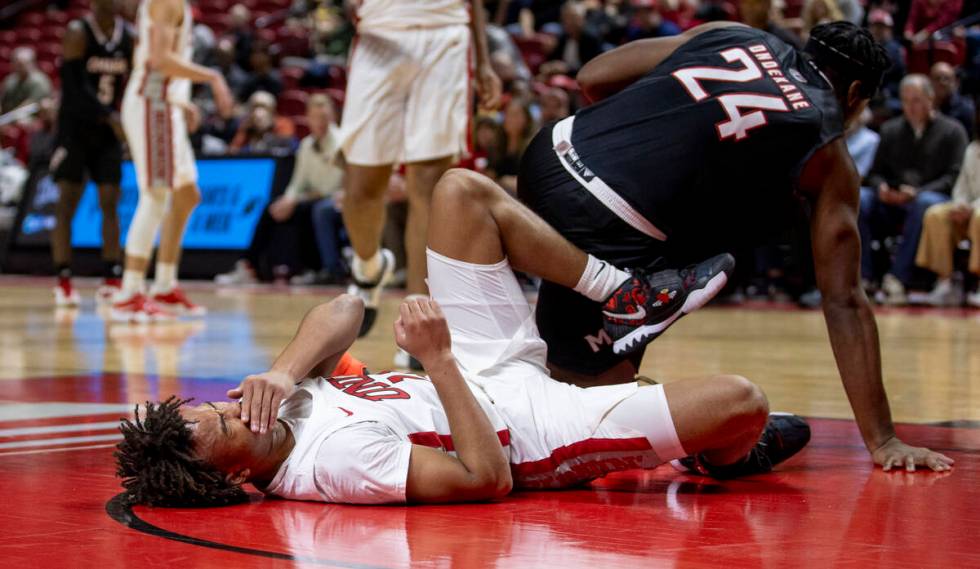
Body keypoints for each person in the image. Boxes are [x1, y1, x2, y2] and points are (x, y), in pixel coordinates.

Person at [115, 169, 832, 507]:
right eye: (218, 428)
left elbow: (345, 304)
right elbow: (482, 478)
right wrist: (438, 360)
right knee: (741, 399)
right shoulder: (332, 465)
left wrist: (284, 367)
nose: (229, 408)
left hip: (479, 367)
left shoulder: (269, 401)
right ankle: (730, 459)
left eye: (210, 407)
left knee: (459, 193)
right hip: (522, 428)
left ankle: (621, 292)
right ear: (229, 475)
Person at [514, 20, 950, 470]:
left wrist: (643, 133)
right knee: (589, 409)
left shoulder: (735, 32)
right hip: (610, 218)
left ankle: (609, 374)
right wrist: (883, 440)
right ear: (855, 94)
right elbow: (844, 300)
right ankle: (706, 438)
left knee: (677, 213)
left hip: (548, 156)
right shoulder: (828, 149)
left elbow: (593, 77)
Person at [337, 0, 502, 348]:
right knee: (361, 188)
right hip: (379, 31)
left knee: (428, 187)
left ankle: (418, 318)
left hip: (444, 32)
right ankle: (368, 266)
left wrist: (484, 62)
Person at [113, 0, 233, 321]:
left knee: (187, 194)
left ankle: (164, 285)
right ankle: (130, 291)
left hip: (165, 103)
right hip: (153, 105)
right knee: (156, 196)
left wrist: (181, 101)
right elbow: (160, 60)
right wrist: (212, 77)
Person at [49, 0, 134, 307]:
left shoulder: (129, 36)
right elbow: (73, 89)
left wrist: (126, 120)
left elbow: (132, 85)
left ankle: (112, 276)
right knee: (67, 202)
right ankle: (64, 278)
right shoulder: (77, 31)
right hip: (75, 129)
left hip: (107, 135)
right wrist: (111, 117)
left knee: (110, 201)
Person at [861, 75, 968, 305]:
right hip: (893, 200)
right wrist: (881, 188)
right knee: (861, 199)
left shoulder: (953, 131)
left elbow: (954, 177)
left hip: (930, 200)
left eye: (917, 100)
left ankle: (897, 279)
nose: (911, 106)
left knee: (924, 203)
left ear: (931, 99)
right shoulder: (890, 130)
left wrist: (917, 193)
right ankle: (863, 277)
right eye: (906, 100)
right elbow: (874, 173)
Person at [216, 94, 344, 285]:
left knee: (318, 209)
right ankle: (249, 266)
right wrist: (288, 199)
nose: (320, 123)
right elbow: (297, 182)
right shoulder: (307, 145)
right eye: (315, 118)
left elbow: (332, 186)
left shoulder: (342, 141)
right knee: (272, 208)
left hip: (337, 199)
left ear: (332, 117)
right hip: (310, 198)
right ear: (308, 118)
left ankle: (331, 270)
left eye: (324, 118)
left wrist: (299, 198)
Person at [916, 119, 980, 307]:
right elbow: (962, 186)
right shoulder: (973, 149)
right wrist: (960, 204)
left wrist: (972, 208)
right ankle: (946, 281)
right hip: (969, 208)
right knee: (935, 214)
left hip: (976, 211)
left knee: (979, 217)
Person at [0, 47, 53, 113]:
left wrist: (13, 114)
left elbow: (31, 104)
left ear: (31, 63)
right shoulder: (10, 80)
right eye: (17, 64)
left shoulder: (39, 81)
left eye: (21, 65)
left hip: (31, 116)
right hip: (10, 116)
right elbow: (3, 101)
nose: (18, 68)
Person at [931, 62, 975, 139]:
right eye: (937, 78)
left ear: (955, 82)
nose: (942, 82)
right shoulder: (925, 107)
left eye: (946, 78)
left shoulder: (966, 109)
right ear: (930, 82)